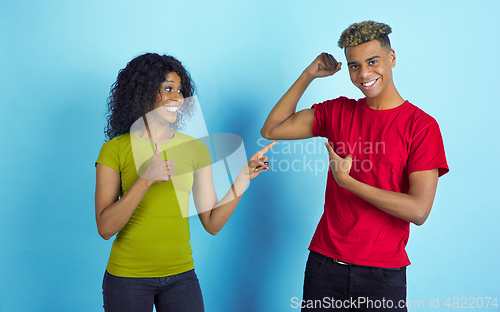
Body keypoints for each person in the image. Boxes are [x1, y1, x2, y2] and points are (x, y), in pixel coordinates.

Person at [261, 21, 449, 311]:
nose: (364, 74)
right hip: (325, 266)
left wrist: (348, 183)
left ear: (392, 58)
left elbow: (419, 210)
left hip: (383, 275)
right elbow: (272, 129)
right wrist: (308, 75)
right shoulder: (337, 111)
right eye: (354, 66)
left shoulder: (421, 127)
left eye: (372, 62)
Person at [95, 53, 276, 312]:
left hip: (181, 278)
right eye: (168, 89)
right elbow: (104, 228)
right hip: (127, 279)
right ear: (143, 92)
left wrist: (243, 177)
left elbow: (212, 223)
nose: (178, 98)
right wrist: (144, 180)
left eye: (180, 91)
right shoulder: (115, 150)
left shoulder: (194, 149)